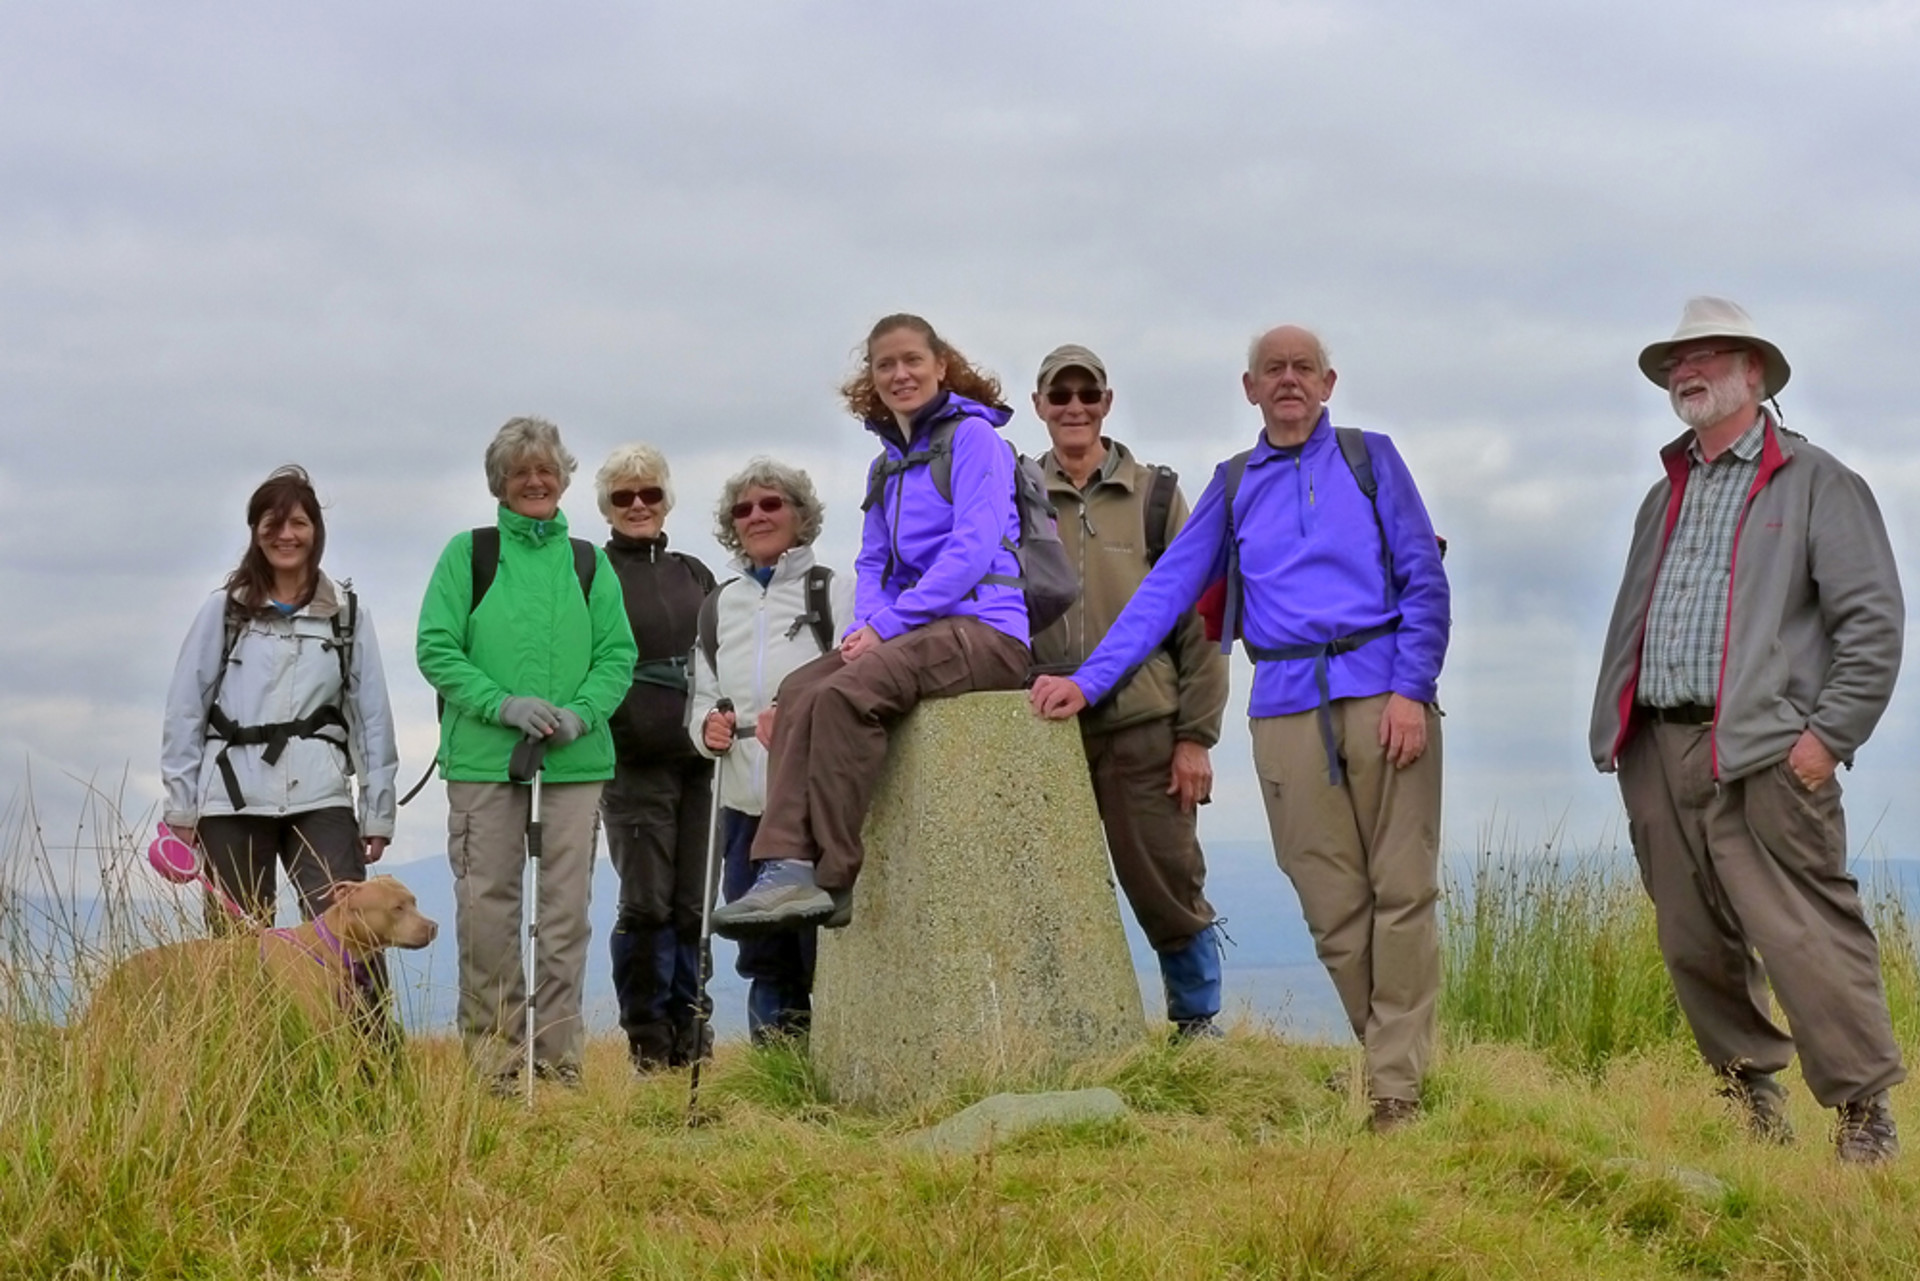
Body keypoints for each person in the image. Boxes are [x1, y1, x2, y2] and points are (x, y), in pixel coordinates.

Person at [1032, 326, 1450, 1132]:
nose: (1289, 380)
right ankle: (1387, 1059)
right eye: (1272, 369)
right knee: (1330, 901)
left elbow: (1424, 578)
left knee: (1402, 891)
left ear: (1328, 382)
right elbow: (1161, 595)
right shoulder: (1232, 484)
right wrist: (1087, 682)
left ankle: (1394, 1089)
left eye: (1303, 368)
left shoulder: (1371, 458)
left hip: (1383, 694)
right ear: (1250, 387)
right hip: (1285, 704)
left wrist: (1412, 688)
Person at [1590, 297, 1905, 1164]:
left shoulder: (1818, 481)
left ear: (1754, 371)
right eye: (1677, 361)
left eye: (1708, 354)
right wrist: (1621, 733)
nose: (1687, 370)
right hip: (1660, 747)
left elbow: (1873, 621)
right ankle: (1750, 1103)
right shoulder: (1664, 494)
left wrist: (1826, 738)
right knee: (1693, 940)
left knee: (1805, 932)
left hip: (1768, 752)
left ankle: (1864, 1115)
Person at [711, 313, 1032, 936]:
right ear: (873, 378)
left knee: (843, 694)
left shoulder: (976, 440)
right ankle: (786, 867)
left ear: (941, 366)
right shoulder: (886, 467)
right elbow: (874, 562)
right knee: (800, 689)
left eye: (912, 360)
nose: (900, 374)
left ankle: (830, 875)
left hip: (988, 632)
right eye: (886, 365)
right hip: (922, 632)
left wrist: (890, 627)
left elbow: (972, 549)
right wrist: (867, 629)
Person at [416, 417, 637, 1090]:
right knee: (487, 913)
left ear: (564, 478)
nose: (535, 482)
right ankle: (496, 1066)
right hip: (485, 762)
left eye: (546, 470)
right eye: (520, 473)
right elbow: (436, 647)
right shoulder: (469, 554)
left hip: (575, 765)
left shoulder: (589, 563)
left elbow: (617, 654)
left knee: (565, 917)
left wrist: (581, 714)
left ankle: (559, 1065)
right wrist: (502, 704)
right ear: (500, 484)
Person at [1027, 344, 1232, 1039]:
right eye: (1060, 395)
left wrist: (1195, 737)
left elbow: (1203, 623)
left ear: (1107, 403)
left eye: (1087, 394)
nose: (1074, 407)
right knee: (1050, 887)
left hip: (1145, 723)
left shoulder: (1158, 497)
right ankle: (1067, 1032)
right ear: (1039, 406)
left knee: (1166, 877)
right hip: (1043, 727)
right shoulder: (1016, 494)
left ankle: (1197, 1023)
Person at [161, 465, 399, 974]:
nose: (285, 535)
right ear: (255, 532)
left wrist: (378, 812)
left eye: (298, 523)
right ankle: (245, 1033)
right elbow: (185, 710)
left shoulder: (346, 616)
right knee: (237, 955)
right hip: (230, 799)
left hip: (321, 796)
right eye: (272, 524)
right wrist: (181, 809)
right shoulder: (223, 612)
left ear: (316, 531)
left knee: (354, 942)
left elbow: (372, 717)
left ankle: (370, 1032)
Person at [687, 458, 855, 1041]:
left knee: (826, 949)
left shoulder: (834, 592)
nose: (755, 516)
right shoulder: (717, 607)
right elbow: (702, 696)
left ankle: (835, 1063)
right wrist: (706, 728)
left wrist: (797, 708)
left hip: (814, 804)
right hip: (741, 806)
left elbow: (856, 674)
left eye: (771, 504)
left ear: (800, 515)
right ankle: (779, 1069)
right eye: (743, 509)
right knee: (762, 952)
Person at [593, 444, 719, 1073]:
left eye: (650, 493)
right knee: (646, 905)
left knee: (694, 906)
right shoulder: (591, 574)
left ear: (667, 500)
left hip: (701, 761)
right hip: (632, 761)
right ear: (606, 507)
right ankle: (648, 1044)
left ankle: (692, 1040)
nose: (638, 505)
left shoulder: (694, 572)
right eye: (624, 496)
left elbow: (722, 653)